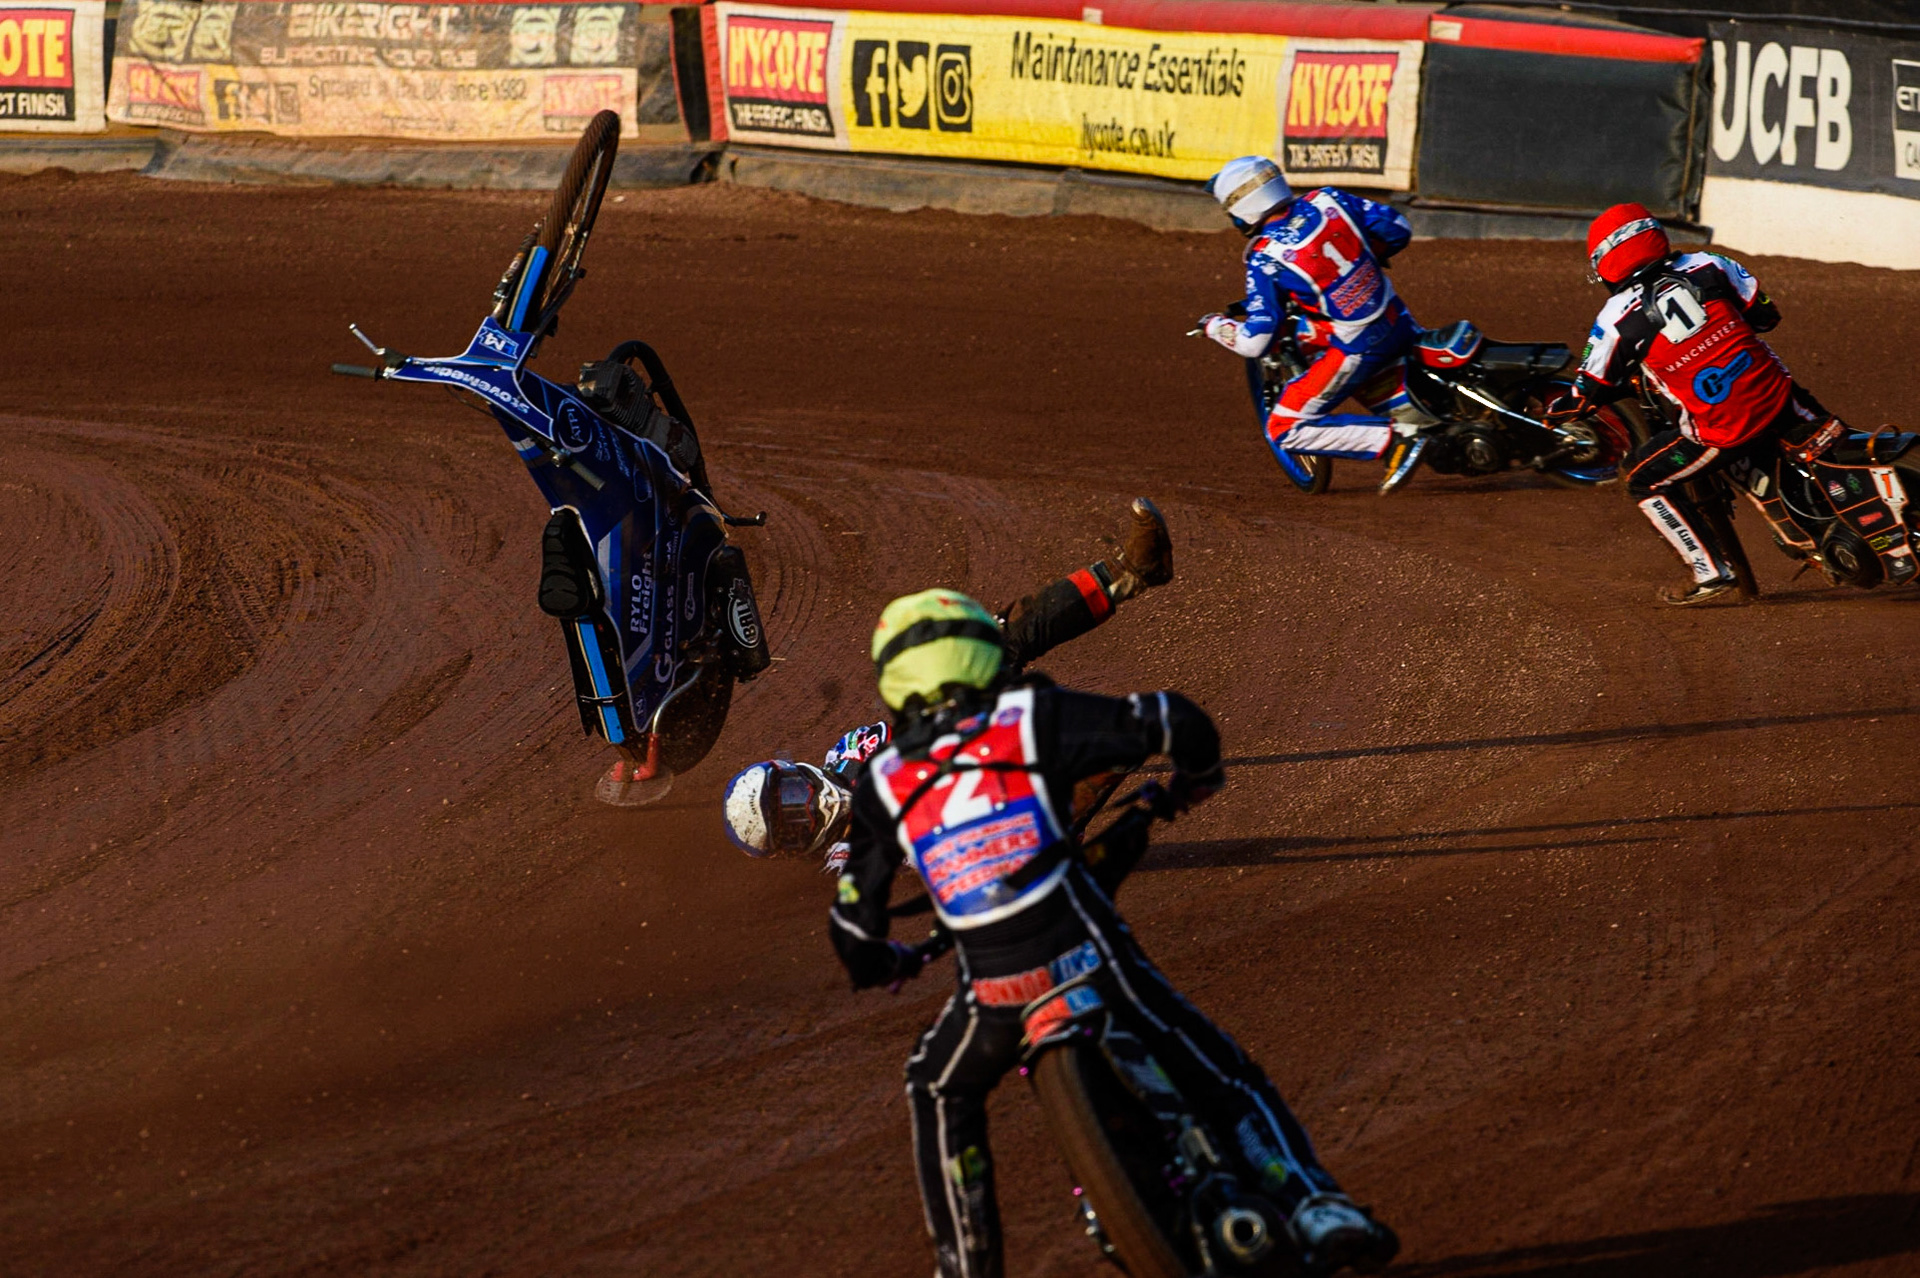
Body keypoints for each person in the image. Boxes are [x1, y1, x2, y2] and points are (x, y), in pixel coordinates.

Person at [825, 588, 1398, 1278]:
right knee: (1215, 1067)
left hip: (994, 994)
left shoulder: (883, 781)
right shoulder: (1027, 715)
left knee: (935, 1086)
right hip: (1086, 952)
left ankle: (965, 1267)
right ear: (981, 653)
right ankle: (1314, 1204)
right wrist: (1196, 780)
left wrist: (885, 961)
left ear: (894, 681)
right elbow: (1175, 720)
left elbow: (852, 928)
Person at [724, 498, 1173, 869]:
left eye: (792, 794)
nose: (808, 806)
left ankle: (1130, 572)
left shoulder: (850, 754)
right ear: (792, 849)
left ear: (795, 772)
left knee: (991, 643)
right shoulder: (848, 857)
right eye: (793, 822)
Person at [1556, 202, 1887, 604]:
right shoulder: (1710, 263)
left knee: (1641, 478)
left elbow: (1586, 390)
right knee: (1840, 444)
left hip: (1722, 431)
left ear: (1608, 262)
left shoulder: (1614, 319)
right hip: (1779, 397)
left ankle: (1709, 571)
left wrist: (1564, 407)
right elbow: (1766, 316)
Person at [1194, 154, 1434, 495]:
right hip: (1397, 318)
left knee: (1283, 427)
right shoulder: (1329, 199)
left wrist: (1214, 326)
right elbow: (1397, 229)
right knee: (1320, 334)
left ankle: (1397, 438)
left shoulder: (1265, 258)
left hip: (1361, 346)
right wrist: (1359, 261)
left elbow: (1255, 341)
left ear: (1241, 210)